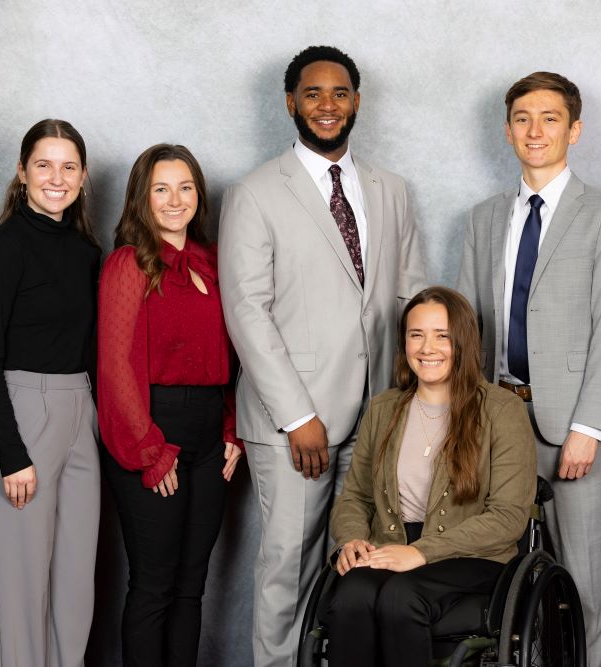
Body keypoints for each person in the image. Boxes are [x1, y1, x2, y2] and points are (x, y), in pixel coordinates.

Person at [218, 45, 426, 666]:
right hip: (295, 425)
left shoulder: (391, 190)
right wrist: (295, 416)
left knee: (361, 569)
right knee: (290, 570)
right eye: (313, 94)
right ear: (291, 103)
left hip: (378, 419)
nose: (328, 105)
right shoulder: (254, 193)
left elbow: (409, 295)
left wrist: (411, 403)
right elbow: (247, 312)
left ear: (357, 102)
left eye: (340, 93)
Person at [457, 71, 601, 667]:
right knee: (505, 591)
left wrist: (589, 427)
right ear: (507, 130)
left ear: (575, 130)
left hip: (573, 427)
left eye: (551, 119)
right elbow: (468, 329)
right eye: (523, 119)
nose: (536, 131)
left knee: (585, 591)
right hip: (499, 419)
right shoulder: (483, 218)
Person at [323, 286, 536, 666]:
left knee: (401, 597)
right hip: (388, 544)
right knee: (351, 595)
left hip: (474, 556)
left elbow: (508, 518)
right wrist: (352, 539)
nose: (427, 348)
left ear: (464, 342)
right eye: (416, 335)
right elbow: (355, 496)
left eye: (442, 336)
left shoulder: (502, 411)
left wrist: (420, 552)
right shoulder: (384, 408)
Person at [97, 144, 243, 666]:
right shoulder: (128, 264)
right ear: (143, 197)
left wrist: (232, 429)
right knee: (154, 585)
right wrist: (150, 451)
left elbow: (226, 356)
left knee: (190, 586)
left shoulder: (211, 260)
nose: (175, 199)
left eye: (185, 187)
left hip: (208, 435)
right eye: (161, 188)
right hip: (153, 431)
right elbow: (114, 367)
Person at [0, 118, 101, 666]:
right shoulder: (4, 247)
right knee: (19, 597)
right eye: (43, 164)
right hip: (19, 418)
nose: (56, 176)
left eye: (68, 166)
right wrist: (11, 455)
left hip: (80, 414)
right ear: (22, 173)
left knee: (74, 593)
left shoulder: (88, 252)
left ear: (84, 177)